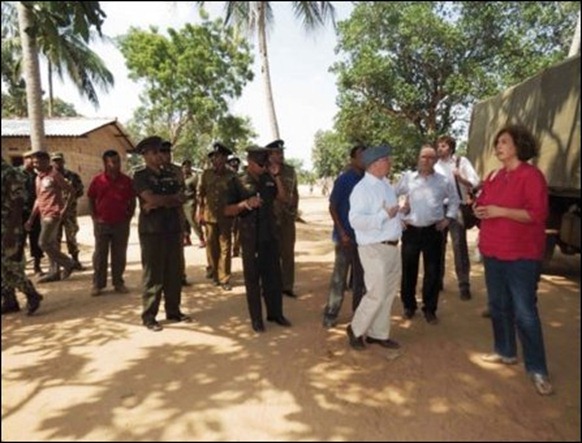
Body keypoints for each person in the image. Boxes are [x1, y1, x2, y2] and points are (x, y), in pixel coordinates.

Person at [474, 124, 553, 396]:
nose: (498, 147)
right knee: (498, 305)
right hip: (493, 251)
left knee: (525, 313)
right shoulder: (493, 176)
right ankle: (505, 351)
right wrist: (479, 209)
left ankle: (538, 369)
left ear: (518, 145)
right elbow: (483, 202)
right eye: (497, 143)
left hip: (521, 255)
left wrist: (500, 211)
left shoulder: (532, 176)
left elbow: (537, 215)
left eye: (504, 142)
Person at [224, 146, 292, 332]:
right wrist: (245, 204)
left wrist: (277, 176)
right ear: (250, 162)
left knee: (274, 277)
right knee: (253, 280)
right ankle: (256, 319)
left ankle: (275, 313)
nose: (264, 167)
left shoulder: (268, 178)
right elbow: (227, 210)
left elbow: (284, 198)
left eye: (266, 164)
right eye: (261, 164)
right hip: (250, 237)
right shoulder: (237, 181)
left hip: (270, 234)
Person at [345, 145, 404, 350]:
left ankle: (377, 333)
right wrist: (384, 215)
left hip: (391, 247)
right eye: (387, 159)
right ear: (376, 164)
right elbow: (356, 220)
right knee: (376, 293)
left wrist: (400, 215)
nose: (390, 162)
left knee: (387, 293)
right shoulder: (362, 189)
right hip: (373, 248)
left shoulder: (386, 185)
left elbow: (390, 214)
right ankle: (355, 329)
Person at [395, 143, 460, 325]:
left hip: (434, 231)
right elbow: (391, 194)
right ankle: (409, 306)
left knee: (433, 272)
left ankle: (430, 309)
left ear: (436, 160)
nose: (427, 160)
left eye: (431, 157)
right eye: (424, 156)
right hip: (411, 231)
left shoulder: (443, 181)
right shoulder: (408, 178)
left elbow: (454, 200)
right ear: (418, 158)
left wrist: (448, 218)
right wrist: (400, 215)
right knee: (409, 270)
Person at [132, 136, 191, 332]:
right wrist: (166, 200)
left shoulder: (170, 173)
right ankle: (149, 316)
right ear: (145, 155)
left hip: (172, 227)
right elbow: (149, 198)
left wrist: (160, 201)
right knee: (153, 274)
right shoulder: (140, 176)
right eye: (155, 152)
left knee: (174, 272)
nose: (160, 156)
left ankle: (173, 310)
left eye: (161, 152)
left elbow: (181, 197)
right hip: (152, 231)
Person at [322, 144, 367, 329]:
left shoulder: (369, 181)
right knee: (339, 278)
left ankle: (358, 315)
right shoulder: (344, 180)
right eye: (361, 156)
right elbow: (333, 207)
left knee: (360, 280)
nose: (364, 159)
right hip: (345, 238)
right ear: (353, 159)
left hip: (364, 239)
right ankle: (331, 313)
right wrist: (341, 232)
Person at [435, 135, 481, 300]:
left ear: (451, 148)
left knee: (459, 246)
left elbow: (476, 182)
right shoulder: (435, 166)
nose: (440, 148)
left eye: (444, 146)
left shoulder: (461, 162)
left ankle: (464, 284)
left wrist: (460, 178)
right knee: (437, 247)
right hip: (439, 209)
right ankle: (437, 281)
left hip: (457, 208)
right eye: (439, 146)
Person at [87, 149, 136, 296]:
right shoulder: (98, 181)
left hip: (121, 223)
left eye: (118, 161)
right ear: (105, 163)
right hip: (102, 223)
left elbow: (132, 199)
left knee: (119, 254)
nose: (116, 165)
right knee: (100, 255)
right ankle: (98, 284)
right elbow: (90, 198)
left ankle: (118, 282)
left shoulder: (127, 181)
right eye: (112, 162)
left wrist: (130, 214)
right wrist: (94, 216)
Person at [24, 151, 77, 283]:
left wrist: (65, 209)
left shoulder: (55, 175)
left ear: (46, 161)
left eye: (37, 162)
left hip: (53, 214)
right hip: (43, 214)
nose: (34, 165)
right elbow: (38, 199)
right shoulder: (38, 178)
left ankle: (69, 263)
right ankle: (54, 272)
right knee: (52, 243)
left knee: (43, 243)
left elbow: (71, 191)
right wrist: (31, 218)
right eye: (34, 162)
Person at [1, 158, 43, 316]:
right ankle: (10, 300)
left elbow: (18, 202)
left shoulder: (9, 173)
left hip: (8, 228)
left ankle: (32, 294)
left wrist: (11, 231)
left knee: (11, 265)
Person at [197, 142, 237, 291]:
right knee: (212, 247)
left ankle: (224, 277)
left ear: (225, 158)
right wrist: (199, 213)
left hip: (226, 217)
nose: (215, 160)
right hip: (209, 217)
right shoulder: (206, 174)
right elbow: (200, 194)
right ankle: (214, 273)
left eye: (219, 157)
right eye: (214, 157)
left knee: (226, 247)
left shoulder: (232, 176)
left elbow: (237, 196)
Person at [265, 139, 299, 298]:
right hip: (270, 218)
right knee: (270, 254)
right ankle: (270, 286)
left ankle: (287, 286)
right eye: (277, 153)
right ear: (269, 155)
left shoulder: (290, 171)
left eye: (281, 152)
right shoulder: (264, 171)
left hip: (287, 217)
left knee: (288, 253)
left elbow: (295, 193)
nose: (281, 155)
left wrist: (294, 207)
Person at [159, 141, 191, 287]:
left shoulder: (177, 171)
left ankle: (180, 275)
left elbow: (182, 190)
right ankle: (163, 278)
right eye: (164, 152)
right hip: (159, 215)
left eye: (169, 152)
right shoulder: (155, 171)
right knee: (162, 248)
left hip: (176, 212)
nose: (167, 155)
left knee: (178, 248)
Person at [51, 152, 85, 270]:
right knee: (55, 238)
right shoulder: (49, 177)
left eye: (59, 160)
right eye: (54, 160)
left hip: (70, 212)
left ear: (63, 161)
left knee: (71, 236)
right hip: (55, 213)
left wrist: (69, 201)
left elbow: (80, 191)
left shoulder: (72, 176)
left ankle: (75, 261)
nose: (57, 163)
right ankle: (58, 265)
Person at [17, 149, 45, 276]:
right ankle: (19, 268)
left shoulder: (36, 176)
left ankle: (37, 267)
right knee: (19, 241)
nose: (33, 162)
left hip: (34, 212)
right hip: (18, 213)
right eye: (30, 158)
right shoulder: (15, 174)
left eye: (34, 159)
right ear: (24, 159)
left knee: (36, 239)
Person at [182, 159, 206, 248]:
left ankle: (201, 238)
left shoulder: (194, 178)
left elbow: (198, 190)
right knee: (184, 221)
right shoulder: (181, 177)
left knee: (192, 220)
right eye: (184, 166)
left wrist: (199, 202)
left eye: (187, 166)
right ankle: (186, 238)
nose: (186, 168)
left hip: (190, 201)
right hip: (182, 201)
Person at [226, 154, 242, 257]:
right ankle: (229, 249)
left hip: (240, 206)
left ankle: (236, 249)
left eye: (236, 162)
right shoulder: (225, 177)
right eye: (232, 162)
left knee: (239, 229)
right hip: (228, 206)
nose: (234, 164)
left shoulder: (241, 177)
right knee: (228, 229)